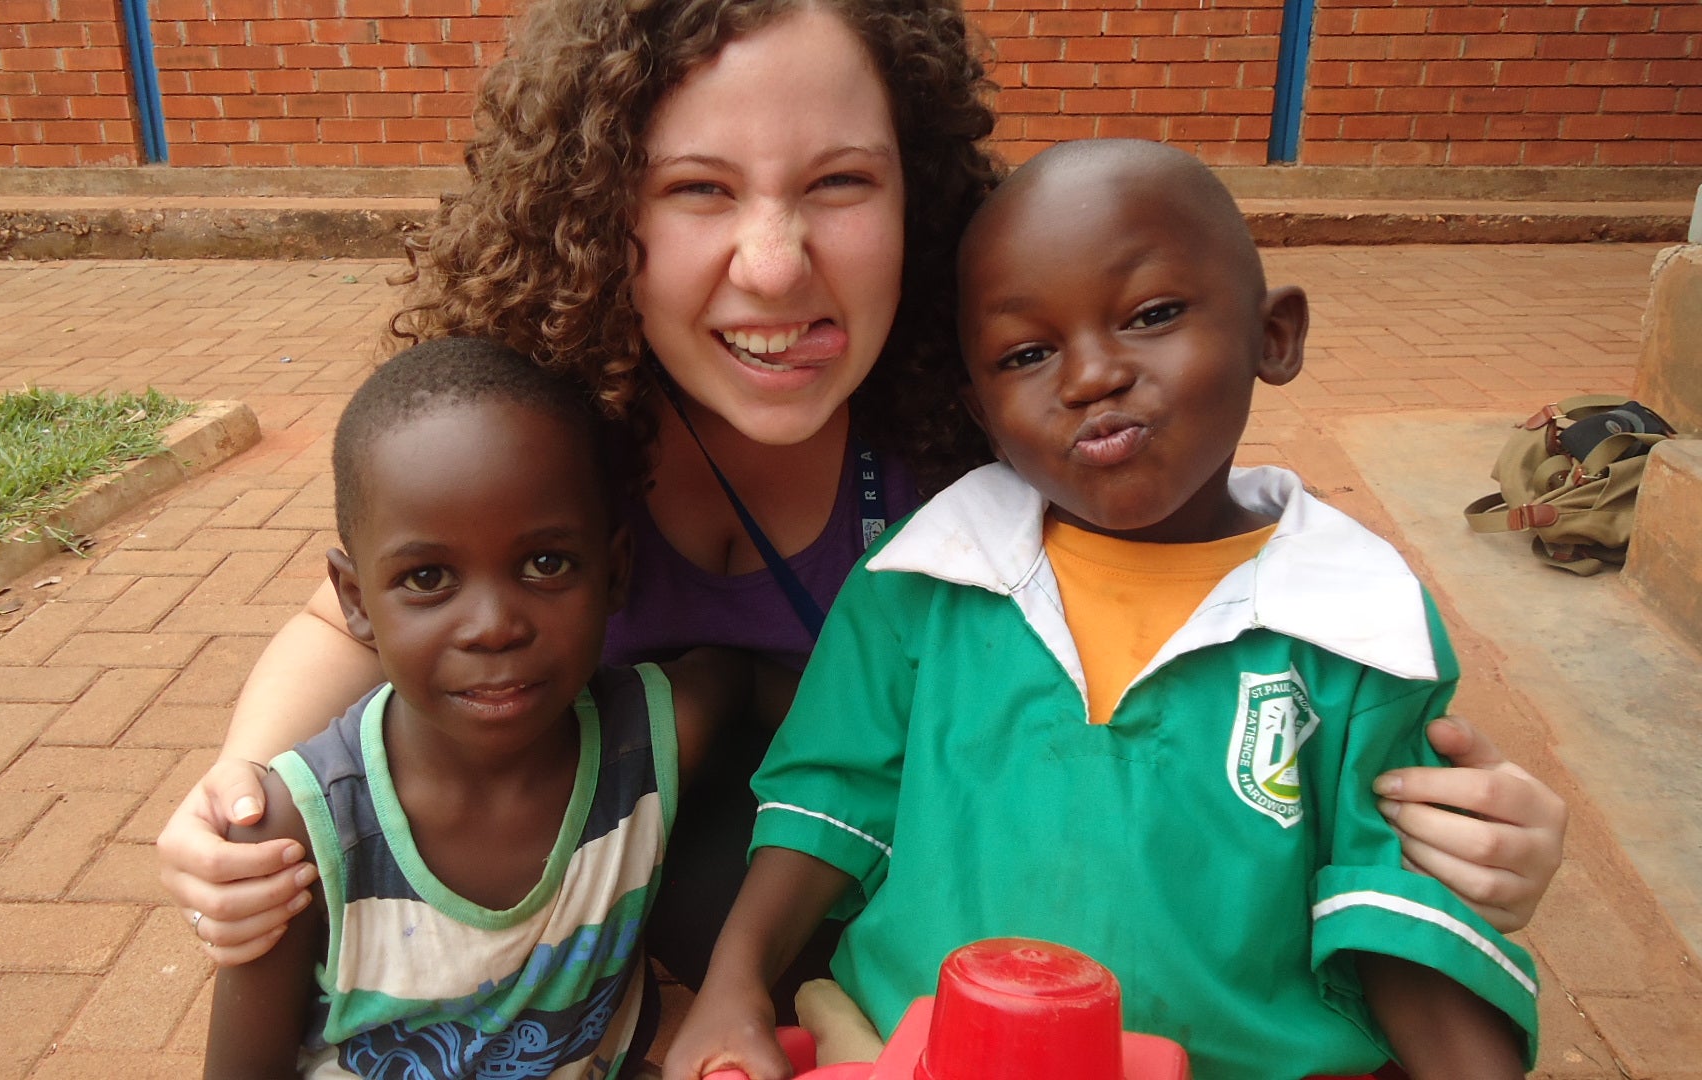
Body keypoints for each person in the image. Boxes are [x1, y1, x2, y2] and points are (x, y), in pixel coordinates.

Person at [158, 0, 1566, 995]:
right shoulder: (534, 429)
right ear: (600, 214)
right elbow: (339, 616)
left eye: (840, 183)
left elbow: (1244, 654)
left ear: (925, 200)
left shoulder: (1003, 428)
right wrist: (231, 801)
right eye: (700, 190)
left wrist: (1489, 830)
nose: (773, 267)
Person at [663, 141, 1538, 1080]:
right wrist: (735, 982)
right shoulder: (924, 576)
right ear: (982, 408)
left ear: (1273, 335)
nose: (1090, 377)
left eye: (1152, 315)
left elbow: (1393, 915)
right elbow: (829, 797)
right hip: (909, 1054)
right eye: (1027, 353)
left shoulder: (1354, 620)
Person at [204, 338, 748, 1079]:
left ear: (615, 572)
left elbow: (778, 690)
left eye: (545, 563)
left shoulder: (656, 737)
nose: (493, 624)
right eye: (428, 577)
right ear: (356, 601)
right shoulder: (298, 834)